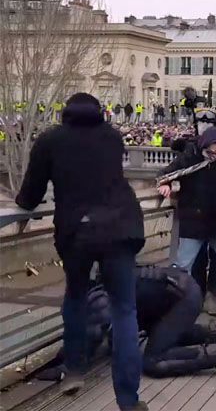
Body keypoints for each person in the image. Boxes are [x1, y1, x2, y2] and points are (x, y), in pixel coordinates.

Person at [15, 93, 146, 411]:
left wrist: (22, 209)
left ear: (65, 113)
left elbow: (31, 192)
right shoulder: (111, 137)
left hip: (78, 232)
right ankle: (128, 400)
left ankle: (74, 369)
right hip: (120, 228)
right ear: (99, 112)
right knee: (124, 311)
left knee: (75, 297)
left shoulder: (51, 140)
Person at [91, 266, 216, 378]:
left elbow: (102, 332)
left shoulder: (103, 300)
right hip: (180, 290)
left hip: (183, 299)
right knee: (161, 334)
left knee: (152, 361)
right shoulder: (114, 276)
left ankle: (210, 354)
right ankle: (215, 331)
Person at [157, 127, 216, 319]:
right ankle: (173, 303)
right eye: (215, 144)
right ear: (206, 143)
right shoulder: (190, 158)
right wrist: (166, 184)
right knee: (183, 266)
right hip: (193, 223)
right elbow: (167, 173)